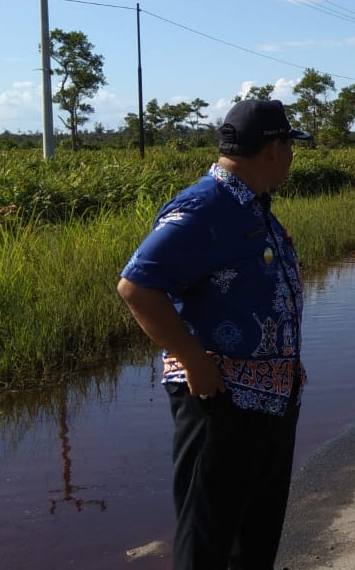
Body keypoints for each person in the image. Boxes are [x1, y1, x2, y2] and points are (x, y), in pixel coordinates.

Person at [116, 99, 312, 569]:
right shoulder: (205, 206)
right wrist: (195, 362)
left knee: (255, 542)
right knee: (206, 545)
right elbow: (138, 287)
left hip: (268, 403)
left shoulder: (253, 206)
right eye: (290, 144)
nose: (291, 155)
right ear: (272, 148)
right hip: (220, 403)